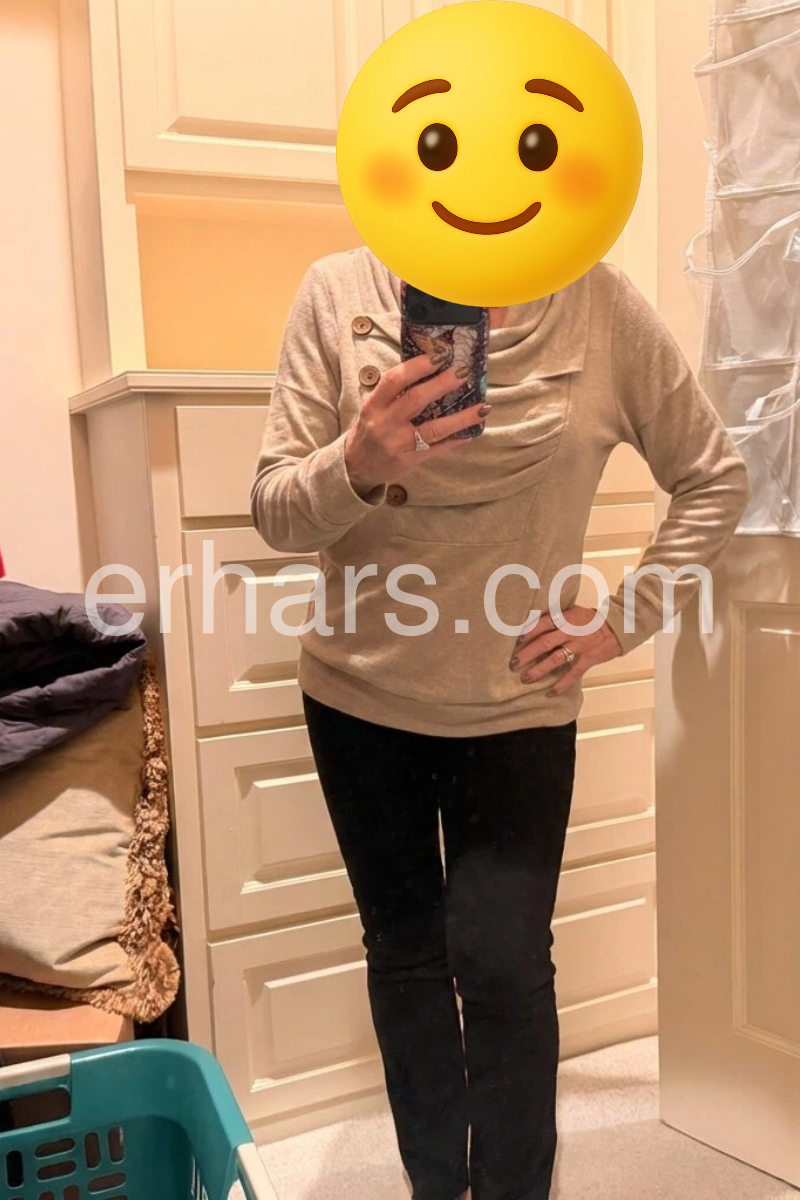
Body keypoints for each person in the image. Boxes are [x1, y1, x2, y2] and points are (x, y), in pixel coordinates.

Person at [250, 245, 749, 1200]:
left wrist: (622, 620)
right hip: (358, 701)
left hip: (518, 705)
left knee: (505, 964)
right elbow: (274, 510)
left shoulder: (598, 303)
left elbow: (714, 476)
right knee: (405, 956)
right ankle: (436, 1188)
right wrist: (355, 463)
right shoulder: (339, 291)